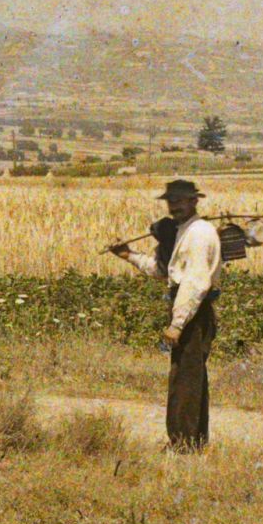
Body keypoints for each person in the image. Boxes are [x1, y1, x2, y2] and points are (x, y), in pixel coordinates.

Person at [106, 179, 221, 451]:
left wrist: (177, 324)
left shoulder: (199, 233)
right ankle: (193, 442)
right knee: (190, 376)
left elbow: (194, 283)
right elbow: (164, 271)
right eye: (171, 201)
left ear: (194, 201)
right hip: (189, 307)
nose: (174, 206)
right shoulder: (183, 231)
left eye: (180, 200)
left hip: (193, 310)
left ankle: (182, 445)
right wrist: (128, 255)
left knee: (185, 379)